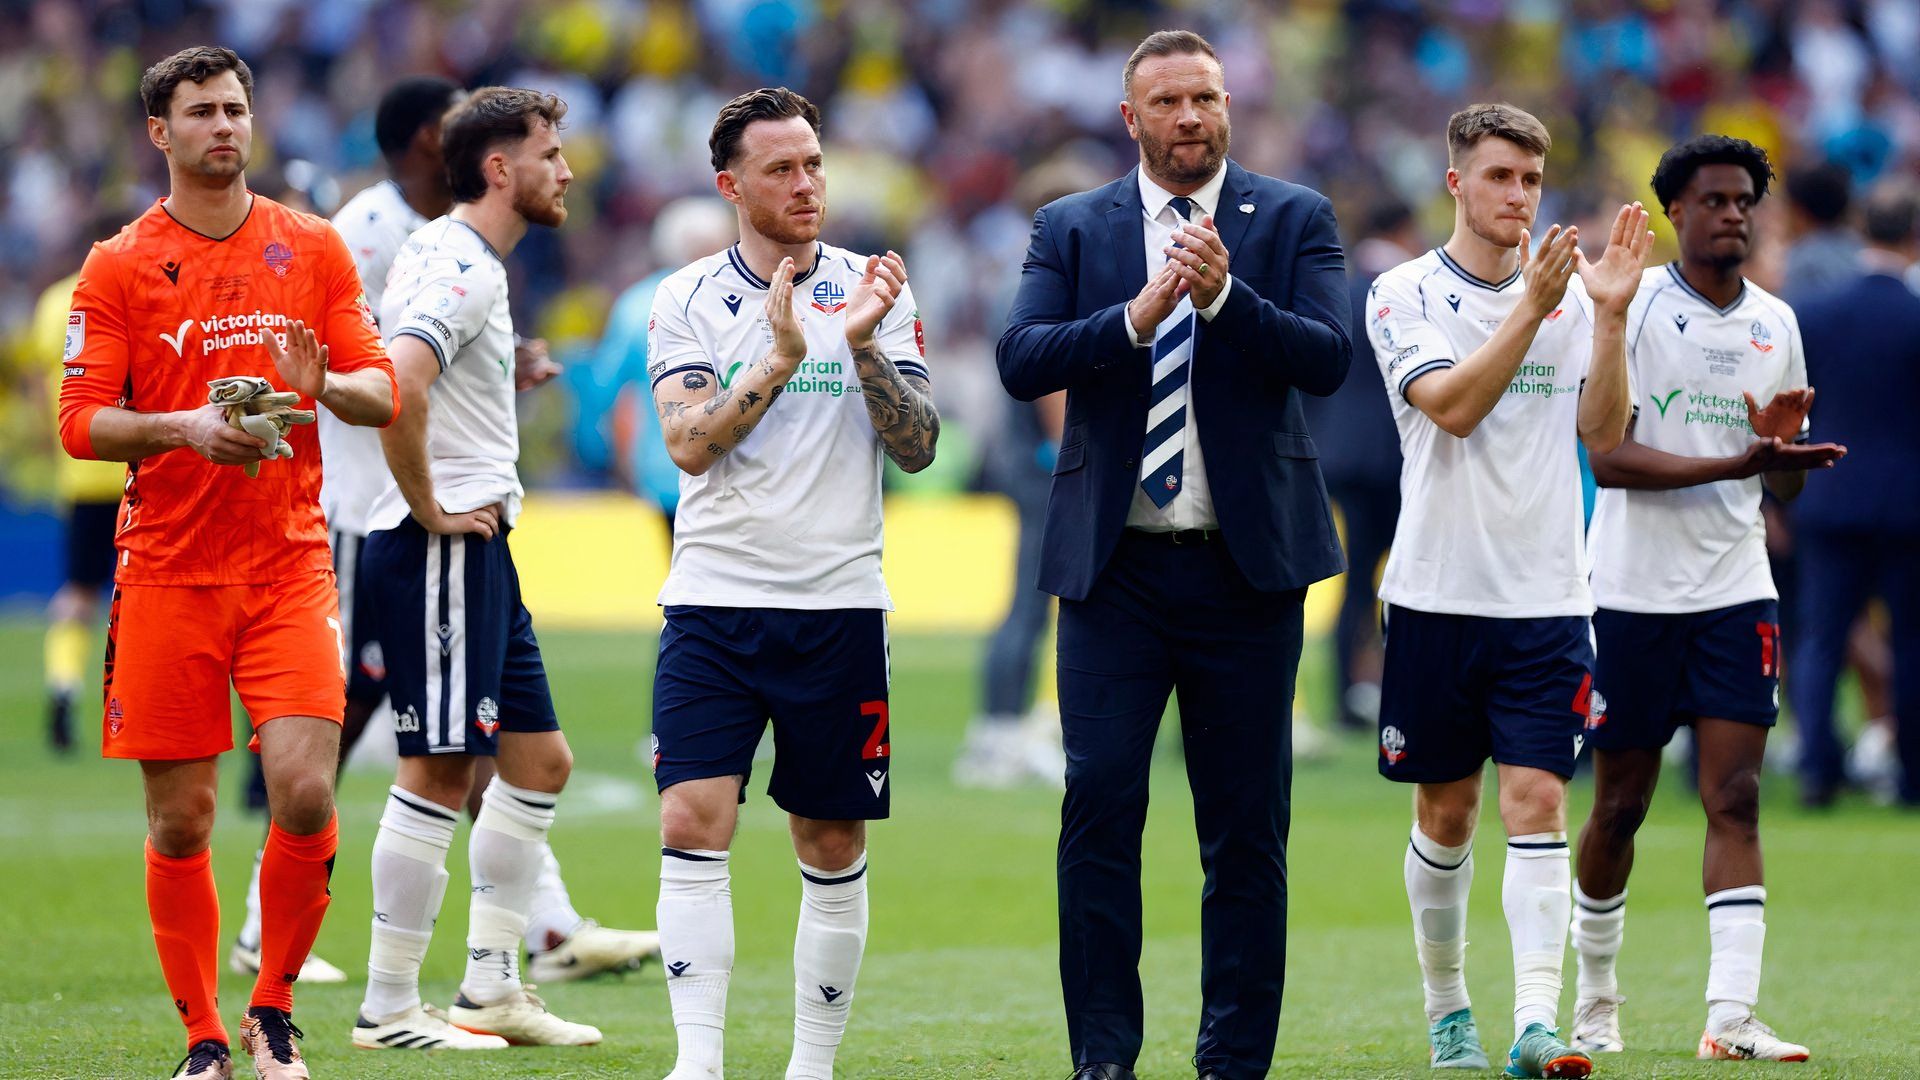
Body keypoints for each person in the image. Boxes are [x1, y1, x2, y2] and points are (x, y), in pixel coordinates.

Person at [998, 30, 1351, 1080]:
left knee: (1246, 829)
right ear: (1130, 118)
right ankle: (1105, 1057)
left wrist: (1225, 301)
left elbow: (1329, 358)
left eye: (1205, 98)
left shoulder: (1294, 217)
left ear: (1228, 103)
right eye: (1168, 101)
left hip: (1247, 575)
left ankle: (1232, 1060)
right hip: (1116, 572)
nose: (1190, 118)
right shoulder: (1072, 226)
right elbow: (1021, 359)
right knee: (1099, 805)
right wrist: (1136, 316)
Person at [57, 45, 399, 1080]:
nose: (225, 126)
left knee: (303, 790)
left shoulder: (315, 247)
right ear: (159, 133)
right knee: (183, 815)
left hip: (289, 564)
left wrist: (323, 386)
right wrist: (187, 430)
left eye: (237, 108)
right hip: (165, 571)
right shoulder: (119, 264)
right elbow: (79, 425)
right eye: (202, 111)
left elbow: (382, 393)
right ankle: (204, 1037)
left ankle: (274, 1011)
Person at [647, 86, 937, 1080]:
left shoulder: (876, 289)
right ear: (732, 186)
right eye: (782, 168)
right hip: (713, 603)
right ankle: (699, 1062)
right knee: (691, 814)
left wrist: (858, 345)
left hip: (839, 606)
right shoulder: (684, 298)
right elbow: (687, 449)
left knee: (829, 834)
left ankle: (810, 1067)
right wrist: (773, 362)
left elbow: (920, 448)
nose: (807, 183)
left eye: (813, 163)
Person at [1365, 103, 1651, 1076]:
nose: (1519, 197)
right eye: (1499, 178)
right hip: (1437, 597)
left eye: (1531, 181)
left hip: (1547, 600)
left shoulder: (1573, 298)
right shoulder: (1402, 293)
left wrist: (1607, 319)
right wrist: (1534, 306)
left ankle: (1537, 1023)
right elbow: (1448, 408)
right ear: (1456, 182)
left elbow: (1603, 432)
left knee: (1538, 800)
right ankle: (1450, 1014)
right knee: (1445, 815)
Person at [1572, 135, 1841, 1064]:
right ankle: (1596, 1001)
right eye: (1714, 200)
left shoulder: (1777, 322)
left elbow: (1781, 487)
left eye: (1744, 201)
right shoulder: (1629, 305)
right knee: (1621, 806)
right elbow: (1608, 459)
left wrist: (1781, 457)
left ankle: (1730, 1016)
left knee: (1737, 798)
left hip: (1735, 590)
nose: (1733, 214)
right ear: (1673, 212)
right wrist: (1745, 460)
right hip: (1631, 592)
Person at [352, 86, 601, 1052]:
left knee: (539, 761)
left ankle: (493, 987)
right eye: (550, 152)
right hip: (441, 545)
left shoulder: (447, 253)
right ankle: (387, 1006)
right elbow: (400, 383)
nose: (566, 170)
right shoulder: (464, 268)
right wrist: (426, 506)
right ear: (501, 169)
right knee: (440, 768)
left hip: (475, 543)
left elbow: (425, 377)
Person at [1790, 187, 1920, 808]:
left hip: (1829, 497)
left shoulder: (1815, 314)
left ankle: (1818, 772)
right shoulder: (1914, 315)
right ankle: (1912, 775)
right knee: (1911, 640)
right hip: (1907, 506)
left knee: (1821, 637)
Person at [1303, 197, 1417, 730]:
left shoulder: (1340, 289)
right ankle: (1399, 689)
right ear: (1404, 229)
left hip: (1341, 453)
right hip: (1394, 457)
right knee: (1406, 577)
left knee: (1354, 579)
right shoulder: (1407, 289)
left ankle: (1348, 695)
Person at [36, 215, 129, 754]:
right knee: (147, 594)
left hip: (80, 471)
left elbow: (36, 388)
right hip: (137, 467)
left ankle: (64, 689)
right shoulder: (132, 289)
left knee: (76, 593)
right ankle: (128, 704)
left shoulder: (53, 304)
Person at [589, 194, 738, 526]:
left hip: (664, 472)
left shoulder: (638, 303)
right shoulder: (748, 298)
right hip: (738, 470)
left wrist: (607, 456)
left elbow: (603, 387)